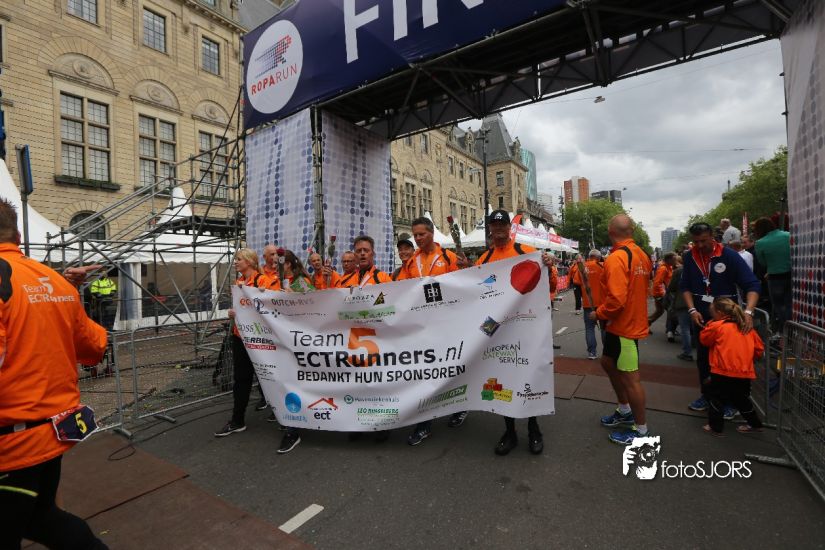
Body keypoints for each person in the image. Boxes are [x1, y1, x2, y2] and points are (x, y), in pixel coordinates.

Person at [0, 198, 109, 549]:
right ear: (18, 235)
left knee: (36, 520)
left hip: (12, 442)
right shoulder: (55, 282)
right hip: (53, 430)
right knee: (43, 518)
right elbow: (94, 348)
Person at [478, 210, 551, 456]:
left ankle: (534, 428)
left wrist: (548, 263)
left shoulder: (526, 252)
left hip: (525, 325)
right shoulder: (484, 258)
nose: (498, 228)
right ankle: (509, 431)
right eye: (494, 224)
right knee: (501, 379)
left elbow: (546, 282)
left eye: (502, 224)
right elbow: (475, 293)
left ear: (510, 228)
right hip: (496, 329)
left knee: (528, 375)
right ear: (490, 228)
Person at [399, 217, 469, 446]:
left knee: (452, 369)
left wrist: (466, 269)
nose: (418, 238)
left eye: (422, 234)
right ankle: (424, 424)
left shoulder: (448, 257)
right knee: (425, 375)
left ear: (431, 233)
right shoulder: (411, 262)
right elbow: (403, 290)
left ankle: (460, 407)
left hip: (447, 325)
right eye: (415, 235)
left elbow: (463, 286)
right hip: (422, 327)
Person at [680, 222, 760, 416]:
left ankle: (732, 402)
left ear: (712, 237)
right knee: (704, 359)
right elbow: (685, 287)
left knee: (728, 361)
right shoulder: (689, 257)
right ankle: (707, 396)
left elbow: (752, 285)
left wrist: (748, 313)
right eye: (696, 242)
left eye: (703, 241)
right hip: (702, 318)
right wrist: (692, 310)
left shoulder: (729, 256)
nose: (700, 245)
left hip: (727, 320)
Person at [593, 214, 654, 445]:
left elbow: (616, 301)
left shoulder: (616, 258)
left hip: (625, 328)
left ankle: (641, 431)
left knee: (631, 379)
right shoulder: (642, 255)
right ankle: (625, 410)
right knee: (608, 363)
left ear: (610, 232)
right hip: (624, 325)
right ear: (632, 230)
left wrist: (598, 313)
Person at [215, 248, 277, 438]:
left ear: (249, 261)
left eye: (239, 259)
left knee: (271, 377)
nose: (235, 262)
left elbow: (276, 306)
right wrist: (232, 313)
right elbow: (238, 308)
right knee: (241, 379)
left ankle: (283, 415)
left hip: (260, 339)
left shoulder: (264, 281)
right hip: (240, 337)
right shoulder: (238, 283)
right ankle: (237, 420)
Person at [699, 297, 765, 435]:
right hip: (744, 371)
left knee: (716, 399)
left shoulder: (717, 326)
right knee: (742, 399)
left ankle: (715, 427)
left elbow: (704, 340)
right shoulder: (747, 328)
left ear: (719, 313)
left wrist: (710, 323)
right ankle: (755, 424)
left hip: (721, 370)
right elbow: (759, 349)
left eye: (712, 313)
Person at [275, 250, 317, 453]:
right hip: (282, 341)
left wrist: (293, 297)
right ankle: (292, 422)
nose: (276, 267)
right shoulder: (276, 281)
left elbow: (315, 306)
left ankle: (294, 429)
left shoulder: (302, 282)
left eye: (280, 263)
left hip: (300, 342)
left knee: (297, 383)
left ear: (289, 264)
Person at [754, 217, 791, 335]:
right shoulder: (788, 235)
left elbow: (763, 263)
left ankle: (784, 330)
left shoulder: (760, 243)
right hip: (791, 275)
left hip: (775, 277)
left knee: (779, 306)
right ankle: (791, 329)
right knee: (790, 303)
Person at [574, 250, 605, 359]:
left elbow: (576, 282)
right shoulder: (603, 266)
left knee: (589, 328)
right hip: (602, 303)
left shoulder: (582, 267)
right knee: (604, 328)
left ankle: (592, 352)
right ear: (599, 257)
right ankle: (607, 352)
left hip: (588, 303)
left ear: (589, 256)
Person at [667, 261, 694, 362]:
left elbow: (671, 287)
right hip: (699, 303)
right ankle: (702, 354)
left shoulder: (679, 271)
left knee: (685, 328)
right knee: (697, 328)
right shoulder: (703, 269)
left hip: (682, 302)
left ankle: (687, 352)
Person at [648, 252, 677, 327]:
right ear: (669, 260)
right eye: (674, 259)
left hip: (661, 293)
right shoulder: (663, 268)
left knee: (659, 311)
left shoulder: (668, 267)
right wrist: (662, 294)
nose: (675, 261)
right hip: (660, 294)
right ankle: (670, 329)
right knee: (671, 311)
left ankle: (645, 324)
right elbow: (657, 283)